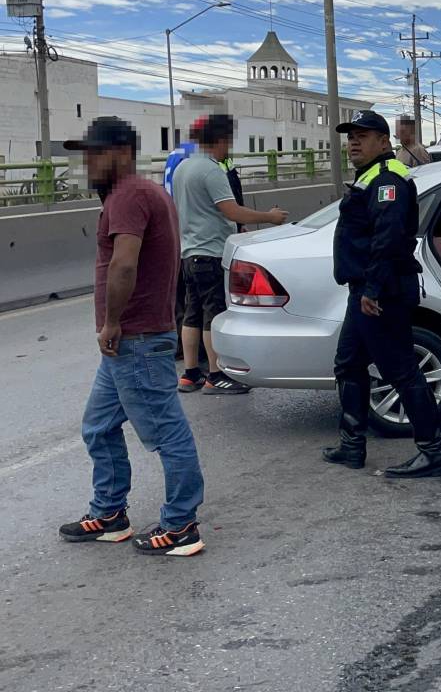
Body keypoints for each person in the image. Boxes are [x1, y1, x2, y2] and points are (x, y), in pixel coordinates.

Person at [57, 117, 207, 557]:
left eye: (94, 153)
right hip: (130, 342)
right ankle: (109, 514)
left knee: (165, 431)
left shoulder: (128, 195)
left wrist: (113, 322)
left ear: (121, 152)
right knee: (99, 427)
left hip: (136, 337)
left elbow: (124, 265)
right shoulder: (138, 192)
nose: (88, 162)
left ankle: (181, 525)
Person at [324, 109, 441, 478]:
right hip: (363, 290)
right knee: (348, 364)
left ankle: (433, 453)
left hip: (381, 292)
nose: (354, 143)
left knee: (402, 372)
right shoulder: (369, 177)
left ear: (384, 142)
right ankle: (352, 445)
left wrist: (373, 288)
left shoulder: (387, 178)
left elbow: (388, 237)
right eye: (350, 137)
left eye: (363, 136)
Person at [171, 114, 288, 394]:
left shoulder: (182, 169)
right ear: (220, 140)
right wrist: (269, 217)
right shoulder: (212, 170)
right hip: (211, 252)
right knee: (214, 314)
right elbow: (231, 210)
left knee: (192, 313)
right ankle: (215, 375)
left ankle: (190, 374)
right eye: (228, 141)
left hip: (188, 252)